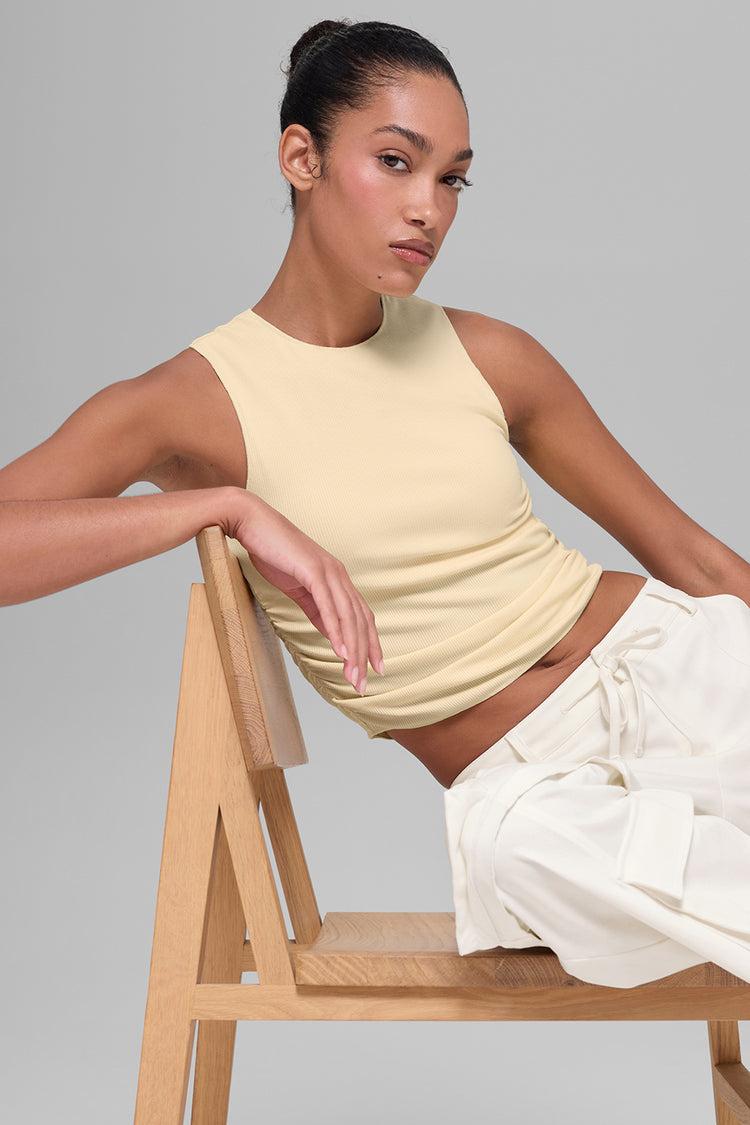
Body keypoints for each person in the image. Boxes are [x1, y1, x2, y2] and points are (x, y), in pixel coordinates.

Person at [2, 18, 749, 988]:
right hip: (535, 791)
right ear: (301, 157)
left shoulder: (492, 355)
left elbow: (698, 562)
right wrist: (220, 508)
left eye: (452, 179)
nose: (428, 208)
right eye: (396, 161)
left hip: (687, 675)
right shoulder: (187, 404)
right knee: (514, 855)